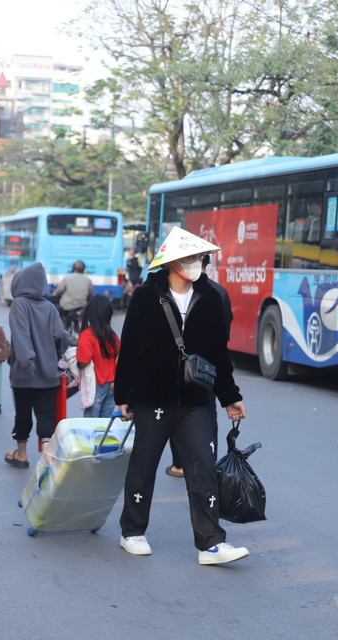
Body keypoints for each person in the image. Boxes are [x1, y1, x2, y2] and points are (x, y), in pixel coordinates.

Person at [113, 226, 249, 565]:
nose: (197, 263)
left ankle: (211, 543)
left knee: (203, 468)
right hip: (151, 398)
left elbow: (219, 353)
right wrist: (122, 394)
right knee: (143, 467)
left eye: (200, 258)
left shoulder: (213, 297)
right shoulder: (146, 296)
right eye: (190, 258)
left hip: (196, 401)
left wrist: (230, 396)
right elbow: (129, 347)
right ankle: (132, 531)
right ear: (172, 262)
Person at [167, 252, 233, 478]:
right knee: (208, 412)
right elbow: (225, 333)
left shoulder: (182, 290)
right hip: (209, 366)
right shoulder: (220, 292)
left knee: (176, 411)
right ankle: (207, 462)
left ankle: (180, 464)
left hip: (182, 365)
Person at [4, 262, 69, 468]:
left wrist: (27, 361)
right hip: (48, 373)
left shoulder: (19, 304)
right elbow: (61, 335)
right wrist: (54, 356)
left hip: (24, 373)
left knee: (22, 414)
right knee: (46, 415)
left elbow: (20, 335)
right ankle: (47, 458)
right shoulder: (50, 307)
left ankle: (21, 455)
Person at [76, 294, 120, 418]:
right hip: (112, 385)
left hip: (96, 385)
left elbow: (83, 361)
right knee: (106, 422)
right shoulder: (112, 336)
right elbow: (119, 357)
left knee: (92, 422)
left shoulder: (87, 335)